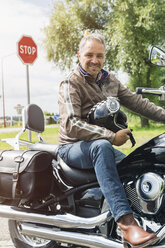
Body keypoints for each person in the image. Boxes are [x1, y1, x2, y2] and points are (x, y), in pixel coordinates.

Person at [58, 33, 164, 248]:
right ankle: (126, 224)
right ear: (79, 55)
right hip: (72, 147)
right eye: (89, 55)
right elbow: (71, 124)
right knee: (102, 147)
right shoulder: (71, 82)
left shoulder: (110, 80)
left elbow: (138, 103)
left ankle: (146, 217)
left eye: (99, 55)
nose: (94, 60)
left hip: (98, 146)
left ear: (104, 57)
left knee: (136, 164)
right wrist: (110, 136)